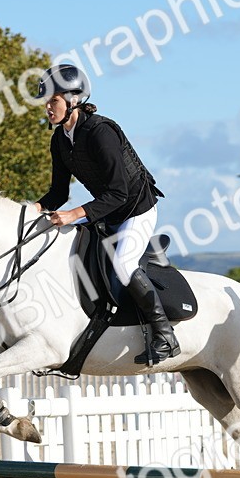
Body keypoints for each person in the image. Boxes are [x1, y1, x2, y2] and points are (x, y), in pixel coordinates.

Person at [33, 64, 179, 364]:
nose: (48, 107)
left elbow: (120, 193)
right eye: (47, 102)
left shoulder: (101, 132)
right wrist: (30, 210)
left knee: (124, 264)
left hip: (136, 208)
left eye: (54, 101)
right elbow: (58, 194)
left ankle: (165, 336)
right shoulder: (59, 139)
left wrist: (73, 214)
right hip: (107, 210)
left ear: (73, 99)